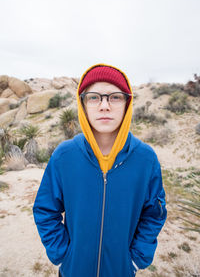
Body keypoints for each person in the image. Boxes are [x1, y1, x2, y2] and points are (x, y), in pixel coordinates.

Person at [33, 64, 167, 277]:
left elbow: (154, 214)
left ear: (127, 103)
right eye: (94, 97)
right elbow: (45, 210)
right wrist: (62, 254)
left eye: (115, 97)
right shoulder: (64, 156)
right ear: (83, 104)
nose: (104, 106)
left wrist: (135, 259)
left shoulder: (145, 158)